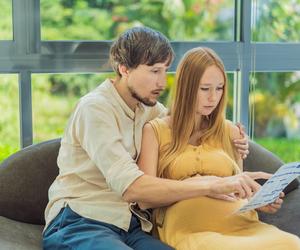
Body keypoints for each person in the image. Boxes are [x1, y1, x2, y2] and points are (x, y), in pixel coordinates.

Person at [43, 27, 264, 250]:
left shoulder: (149, 110)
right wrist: (210, 185)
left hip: (130, 225)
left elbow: (188, 122)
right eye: (154, 71)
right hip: (80, 220)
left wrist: (233, 136)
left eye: (165, 71)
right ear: (124, 69)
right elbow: (132, 188)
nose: (162, 82)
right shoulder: (95, 109)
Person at [137, 47, 300, 250]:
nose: (213, 98)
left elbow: (239, 189)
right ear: (186, 88)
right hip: (190, 227)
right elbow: (145, 199)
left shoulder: (231, 132)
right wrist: (207, 183)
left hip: (242, 224)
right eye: (205, 89)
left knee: (292, 243)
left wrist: (259, 201)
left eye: (220, 88)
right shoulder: (155, 131)